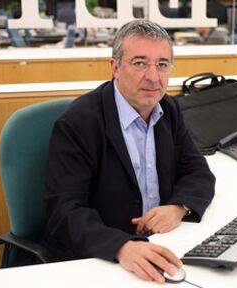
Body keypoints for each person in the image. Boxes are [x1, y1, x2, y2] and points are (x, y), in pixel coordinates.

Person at [42, 20, 215, 283]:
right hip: (103, 260)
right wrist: (120, 246)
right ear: (115, 68)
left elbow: (197, 171)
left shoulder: (168, 110)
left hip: (163, 246)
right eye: (139, 63)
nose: (153, 77)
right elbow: (64, 211)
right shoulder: (78, 123)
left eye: (162, 65)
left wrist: (179, 206)